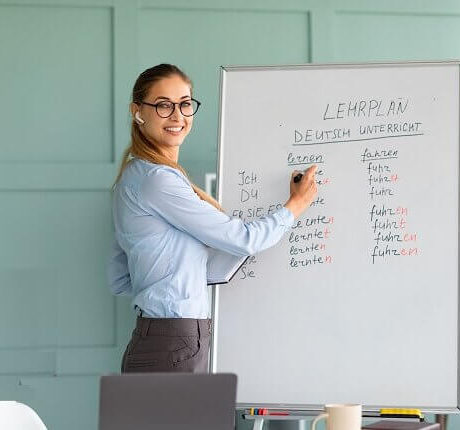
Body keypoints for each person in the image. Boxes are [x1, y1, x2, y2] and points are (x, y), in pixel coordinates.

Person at [107, 64, 317, 373]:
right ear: (138, 111)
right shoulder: (158, 181)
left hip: (158, 338)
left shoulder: (132, 177)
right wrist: (295, 206)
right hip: (173, 341)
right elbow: (245, 240)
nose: (178, 115)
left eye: (185, 103)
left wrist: (179, 276)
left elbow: (120, 278)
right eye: (163, 105)